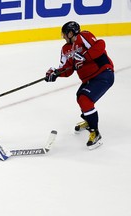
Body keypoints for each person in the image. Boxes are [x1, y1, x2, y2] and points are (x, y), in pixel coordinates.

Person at [45, 21, 114, 150]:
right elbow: (67, 69)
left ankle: (95, 133)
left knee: (85, 99)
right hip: (89, 79)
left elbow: (100, 45)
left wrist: (85, 57)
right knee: (80, 97)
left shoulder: (84, 36)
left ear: (71, 33)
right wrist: (55, 73)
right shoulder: (65, 49)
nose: (64, 36)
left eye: (65, 34)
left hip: (103, 74)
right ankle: (89, 120)